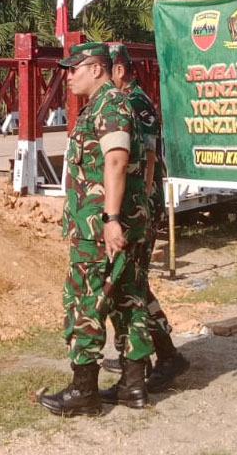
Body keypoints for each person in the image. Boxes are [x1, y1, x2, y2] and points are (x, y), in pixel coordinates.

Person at [39, 42, 154, 417]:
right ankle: (132, 385)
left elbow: (117, 162)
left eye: (75, 69)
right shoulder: (108, 104)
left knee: (85, 302)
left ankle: (83, 390)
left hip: (99, 228)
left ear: (97, 69)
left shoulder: (109, 106)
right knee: (128, 299)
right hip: (116, 223)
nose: (68, 76)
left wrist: (110, 219)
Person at [101, 43, 190, 392]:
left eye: (106, 69)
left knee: (133, 285)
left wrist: (139, 208)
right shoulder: (120, 102)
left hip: (139, 208)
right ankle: (138, 355)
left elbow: (149, 159)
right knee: (131, 285)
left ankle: (165, 355)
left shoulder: (136, 103)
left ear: (119, 71)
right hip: (134, 207)